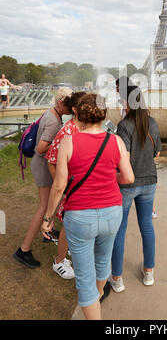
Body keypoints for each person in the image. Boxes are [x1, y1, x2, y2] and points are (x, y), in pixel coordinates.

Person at [41, 93, 134, 320]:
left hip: (80, 216)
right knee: (103, 263)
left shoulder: (69, 142)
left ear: (79, 113)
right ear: (103, 114)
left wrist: (48, 217)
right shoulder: (116, 141)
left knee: (84, 276)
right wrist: (113, 181)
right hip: (112, 212)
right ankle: (98, 296)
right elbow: (128, 177)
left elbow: (59, 185)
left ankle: (93, 304)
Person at [109, 86, 161, 293]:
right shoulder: (153, 123)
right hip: (149, 181)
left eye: (122, 101)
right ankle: (149, 271)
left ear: (129, 103)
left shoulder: (124, 126)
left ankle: (117, 277)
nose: (121, 103)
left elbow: (124, 158)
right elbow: (157, 153)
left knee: (119, 231)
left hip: (128, 184)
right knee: (147, 226)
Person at [13, 87, 72, 268]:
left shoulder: (51, 113)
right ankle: (23, 250)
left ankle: (48, 232)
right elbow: (41, 148)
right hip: (43, 166)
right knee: (44, 207)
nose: (71, 109)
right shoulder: (54, 121)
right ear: (60, 102)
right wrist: (62, 145)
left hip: (41, 165)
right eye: (68, 104)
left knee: (47, 205)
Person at [45, 91, 86, 280]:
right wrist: (63, 187)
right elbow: (51, 160)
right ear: (76, 110)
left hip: (80, 186)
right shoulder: (67, 131)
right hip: (72, 187)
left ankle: (66, 253)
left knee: (75, 226)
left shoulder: (83, 128)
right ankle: (59, 261)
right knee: (68, 226)